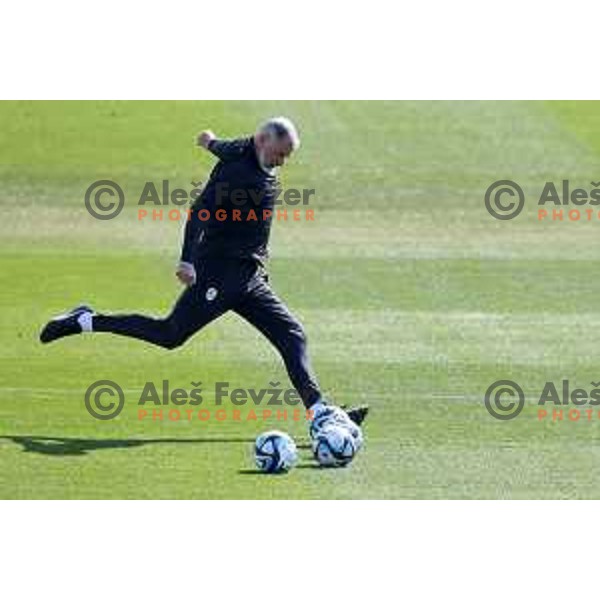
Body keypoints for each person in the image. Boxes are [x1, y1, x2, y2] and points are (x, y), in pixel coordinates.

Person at [40, 117, 368, 432]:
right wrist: (187, 261)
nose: (283, 162)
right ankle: (86, 319)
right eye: (281, 154)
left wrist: (209, 141)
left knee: (291, 334)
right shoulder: (237, 173)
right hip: (219, 272)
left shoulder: (247, 149)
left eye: (287, 156)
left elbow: (224, 146)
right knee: (170, 334)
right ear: (264, 140)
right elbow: (200, 211)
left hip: (249, 276)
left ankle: (320, 412)